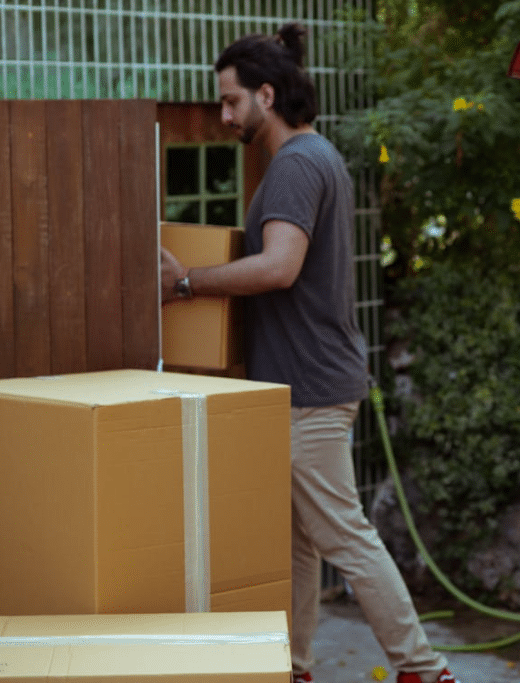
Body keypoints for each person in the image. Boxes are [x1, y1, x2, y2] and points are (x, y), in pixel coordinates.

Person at [159, 24, 458, 683]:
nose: (224, 113)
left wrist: (186, 283)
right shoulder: (315, 156)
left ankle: (423, 668)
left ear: (267, 94)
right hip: (306, 382)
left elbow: (278, 266)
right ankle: (293, 665)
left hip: (310, 389)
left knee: (345, 538)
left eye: (232, 100)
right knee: (296, 541)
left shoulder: (296, 163)